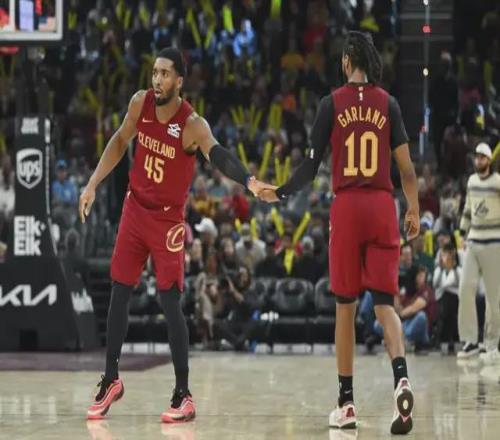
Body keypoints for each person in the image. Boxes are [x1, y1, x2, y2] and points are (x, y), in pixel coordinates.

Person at [79, 47, 272, 423]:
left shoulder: (191, 123)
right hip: (135, 209)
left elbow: (219, 155)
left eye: (165, 74)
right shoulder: (140, 103)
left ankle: (183, 395)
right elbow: (119, 141)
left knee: (170, 302)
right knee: (119, 290)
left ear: (180, 81)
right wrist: (92, 184)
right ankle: (111, 379)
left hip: (167, 220)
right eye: (154, 72)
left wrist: (249, 181)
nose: (157, 79)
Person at [259, 31, 419, 434]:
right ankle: (401, 377)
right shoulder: (389, 103)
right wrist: (414, 209)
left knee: (345, 308)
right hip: (382, 206)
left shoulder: (331, 103)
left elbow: (310, 167)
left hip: (347, 207)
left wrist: (279, 191)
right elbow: (407, 169)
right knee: (385, 306)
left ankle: (346, 403)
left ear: (347, 61)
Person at [457, 143, 500, 364]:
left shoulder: (498, 182)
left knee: (494, 298)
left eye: (482, 157)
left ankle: (491, 344)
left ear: (489, 160)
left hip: (494, 243)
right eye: (477, 157)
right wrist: (461, 232)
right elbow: (467, 208)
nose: (479, 160)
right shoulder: (472, 181)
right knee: (465, 289)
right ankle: (470, 340)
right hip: (473, 241)